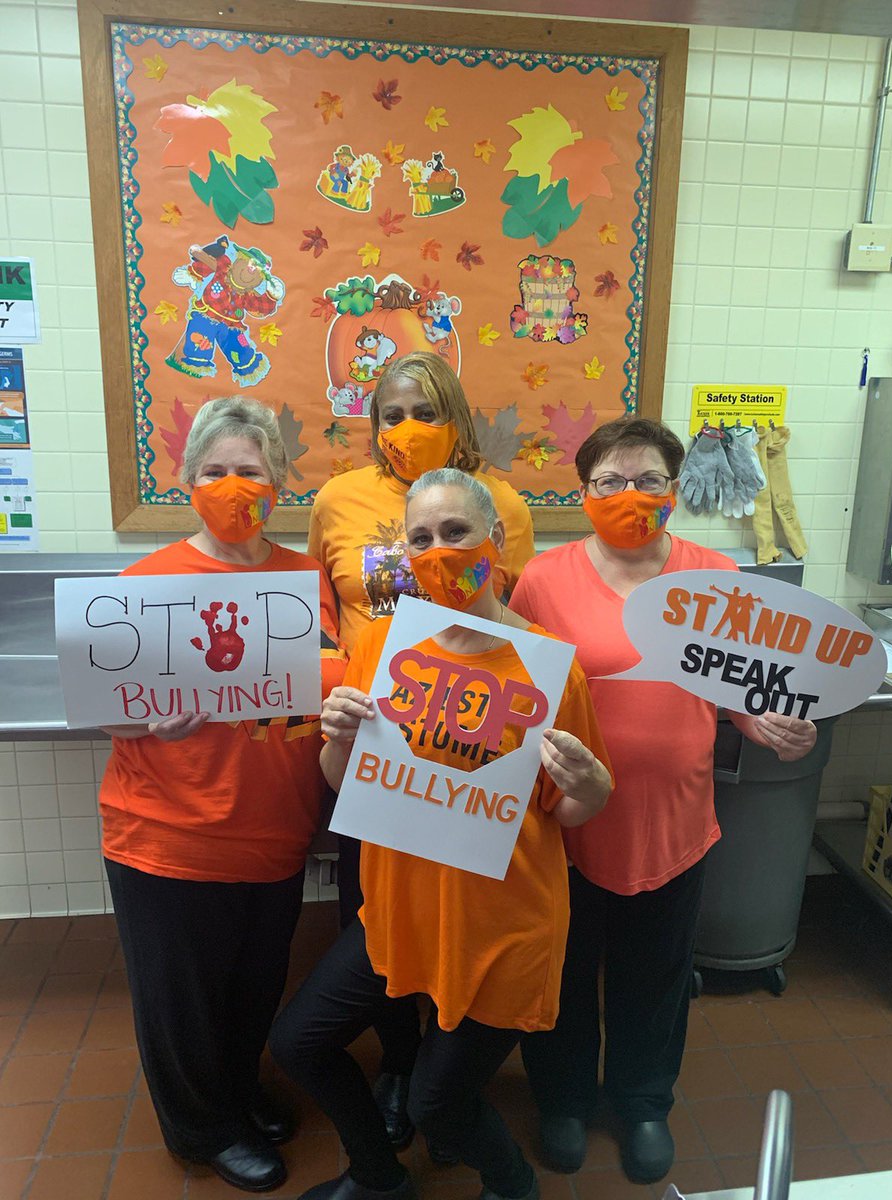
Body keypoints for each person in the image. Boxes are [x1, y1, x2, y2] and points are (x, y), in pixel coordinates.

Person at [270, 468, 613, 1200]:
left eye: (456, 532)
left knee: (437, 1105)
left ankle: (513, 1183)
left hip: (500, 927)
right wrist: (335, 739)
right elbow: (345, 782)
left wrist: (591, 786)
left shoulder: (552, 669)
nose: (439, 550)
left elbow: (570, 808)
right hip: (399, 915)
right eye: (420, 538)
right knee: (299, 1041)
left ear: (494, 541)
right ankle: (376, 1174)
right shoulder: (385, 648)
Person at [509, 417, 818, 1183]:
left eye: (649, 479)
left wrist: (774, 725)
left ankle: (644, 1102)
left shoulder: (715, 578)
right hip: (569, 825)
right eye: (610, 481)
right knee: (565, 971)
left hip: (674, 824)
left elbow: (746, 693)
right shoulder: (543, 581)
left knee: (658, 974)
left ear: (675, 491)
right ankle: (565, 1098)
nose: (630, 495)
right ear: (583, 493)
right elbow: (512, 693)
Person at [99, 397, 346, 1193]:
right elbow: (105, 702)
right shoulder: (147, 581)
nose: (232, 485)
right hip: (170, 835)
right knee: (183, 1001)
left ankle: (238, 1091)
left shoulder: (304, 577)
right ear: (186, 480)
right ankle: (201, 1128)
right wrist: (149, 725)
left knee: (251, 985)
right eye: (214, 472)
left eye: (249, 470)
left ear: (278, 480)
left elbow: (326, 675)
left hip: (274, 832)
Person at [308, 351, 535, 1149]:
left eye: (425, 411)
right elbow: (327, 614)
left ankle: (449, 1071)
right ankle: (400, 1064)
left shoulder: (500, 499)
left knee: (456, 902)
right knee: (376, 912)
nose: (407, 429)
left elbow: (504, 612)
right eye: (390, 414)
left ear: (458, 417)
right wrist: (341, 700)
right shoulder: (338, 498)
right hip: (373, 735)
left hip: (465, 738)